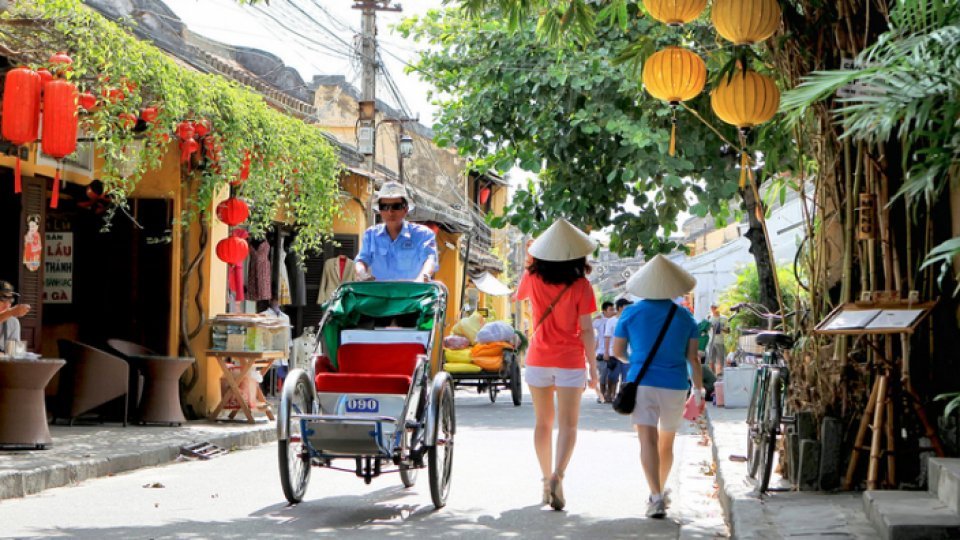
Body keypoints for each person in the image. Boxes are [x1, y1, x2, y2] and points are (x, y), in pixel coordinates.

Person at [612, 255, 704, 519]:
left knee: (647, 441)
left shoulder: (630, 312)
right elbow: (693, 359)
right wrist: (698, 391)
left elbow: (617, 352)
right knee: (666, 443)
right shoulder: (685, 316)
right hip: (676, 385)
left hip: (642, 383)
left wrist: (637, 360)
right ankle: (661, 491)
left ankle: (655, 497)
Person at [515, 219, 598, 511]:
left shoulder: (534, 278)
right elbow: (587, 330)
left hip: (538, 358)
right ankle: (558, 475)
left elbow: (520, 295)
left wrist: (529, 261)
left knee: (543, 423)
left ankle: (543, 480)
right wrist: (594, 369)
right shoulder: (582, 286)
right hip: (570, 360)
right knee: (569, 425)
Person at [355, 181, 438, 282]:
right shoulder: (370, 235)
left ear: (406, 209)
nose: (390, 212)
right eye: (385, 207)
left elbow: (430, 259)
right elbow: (361, 260)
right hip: (379, 295)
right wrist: (362, 273)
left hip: (412, 295)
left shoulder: (423, 235)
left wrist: (423, 277)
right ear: (380, 211)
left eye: (396, 206)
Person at [603, 298, 632, 402]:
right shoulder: (611, 321)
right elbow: (607, 336)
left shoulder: (629, 319)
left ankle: (621, 397)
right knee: (613, 377)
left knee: (626, 378)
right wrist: (606, 352)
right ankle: (610, 393)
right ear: (620, 307)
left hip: (627, 354)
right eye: (626, 306)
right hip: (613, 353)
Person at [593, 302, 615, 403]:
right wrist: (596, 317)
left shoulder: (615, 320)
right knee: (603, 376)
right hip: (601, 352)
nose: (613, 311)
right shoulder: (599, 321)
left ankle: (610, 395)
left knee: (612, 376)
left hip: (613, 352)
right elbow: (588, 325)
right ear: (604, 311)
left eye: (613, 309)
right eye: (610, 309)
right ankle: (602, 395)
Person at [0, 280, 31, 354]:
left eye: (10, 300)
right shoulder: (10, 313)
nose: (7, 305)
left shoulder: (13, 322)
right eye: (3, 300)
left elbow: (14, 354)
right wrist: (10, 312)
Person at [706, 304, 728, 376]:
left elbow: (728, 330)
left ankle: (720, 374)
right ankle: (713, 375)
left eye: (715, 307)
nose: (714, 309)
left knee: (720, 359)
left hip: (720, 341)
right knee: (711, 360)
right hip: (711, 342)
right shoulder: (709, 318)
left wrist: (720, 328)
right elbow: (706, 329)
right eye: (712, 307)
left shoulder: (724, 318)